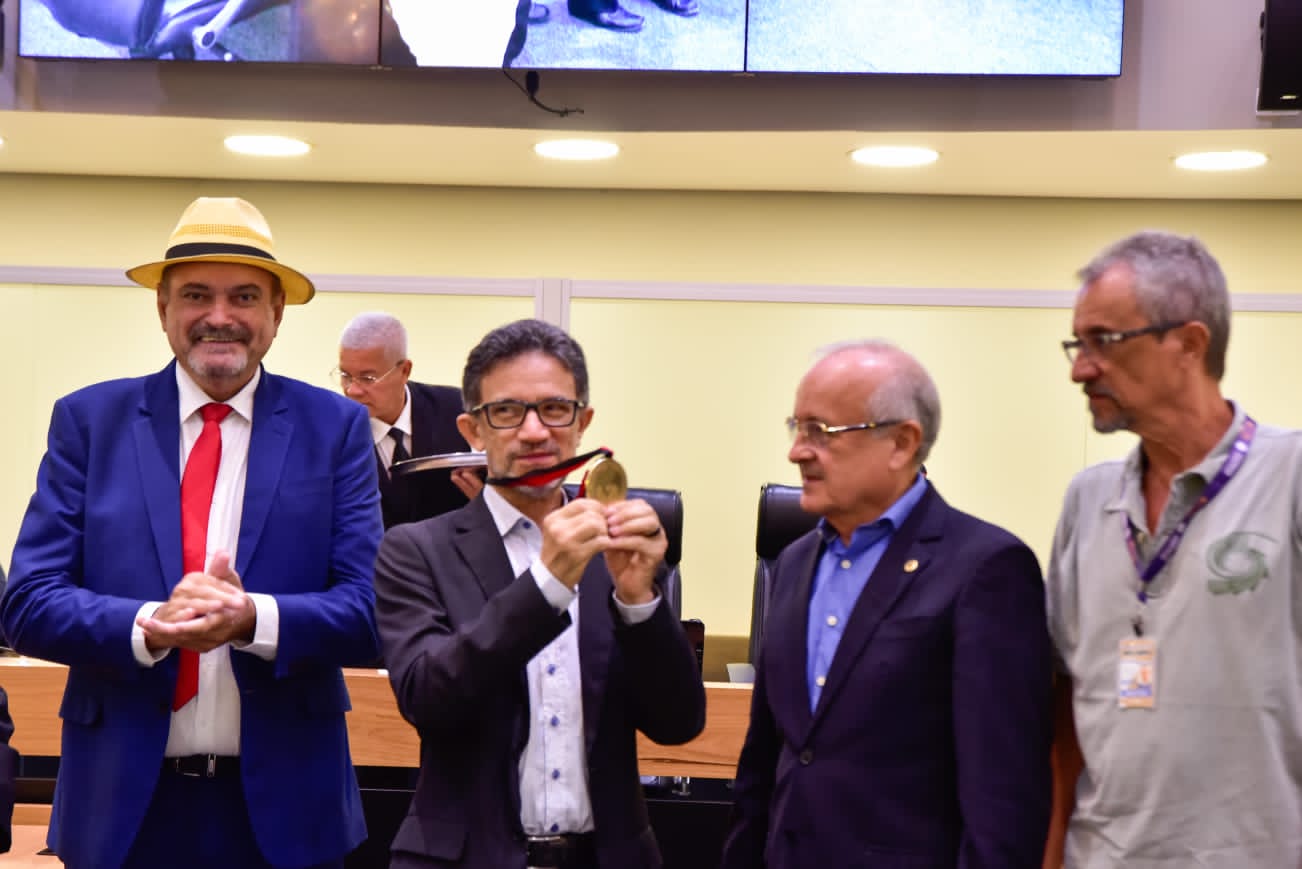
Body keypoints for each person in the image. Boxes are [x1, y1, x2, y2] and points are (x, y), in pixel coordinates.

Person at [0, 197, 382, 869]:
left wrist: (252, 618)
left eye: (244, 297)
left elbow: (373, 609)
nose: (220, 316)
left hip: (291, 811)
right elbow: (28, 602)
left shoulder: (336, 429)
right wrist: (150, 625)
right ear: (163, 308)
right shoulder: (89, 422)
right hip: (121, 810)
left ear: (276, 313)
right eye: (197, 294)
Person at [373, 317, 706, 869]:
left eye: (554, 409)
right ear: (473, 430)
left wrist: (638, 600)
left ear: (583, 424)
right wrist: (547, 583)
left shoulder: (616, 548)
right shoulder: (416, 550)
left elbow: (678, 724)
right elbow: (429, 699)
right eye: (506, 411)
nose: (534, 432)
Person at [721, 340, 1052, 869]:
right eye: (796, 428)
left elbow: (1003, 801)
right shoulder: (793, 563)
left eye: (820, 431)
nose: (797, 451)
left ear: (901, 442)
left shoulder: (986, 569)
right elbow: (762, 766)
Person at [1045, 231, 1302, 869]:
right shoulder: (1088, 500)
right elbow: (1065, 713)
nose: (1080, 369)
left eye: (1104, 341)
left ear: (1189, 343)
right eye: (1078, 345)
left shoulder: (1290, 477)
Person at [337, 311, 482, 528]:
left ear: (405, 370)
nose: (352, 390)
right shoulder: (333, 431)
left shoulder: (457, 410)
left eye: (368, 378)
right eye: (345, 376)